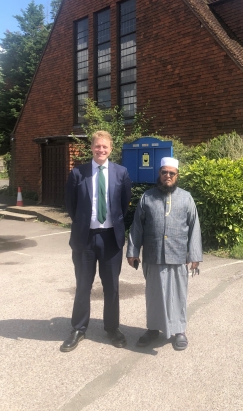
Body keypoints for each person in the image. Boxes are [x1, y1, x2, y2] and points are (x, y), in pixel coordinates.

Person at [61, 130, 131, 352]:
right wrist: (84, 223)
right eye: (97, 146)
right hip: (85, 239)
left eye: (105, 146)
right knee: (83, 285)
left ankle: (112, 328)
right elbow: (71, 205)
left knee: (112, 287)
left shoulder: (121, 173)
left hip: (111, 238)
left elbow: (124, 204)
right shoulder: (78, 173)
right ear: (91, 148)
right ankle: (79, 329)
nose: (101, 150)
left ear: (111, 149)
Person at [127, 157, 202, 351]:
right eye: (164, 172)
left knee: (178, 294)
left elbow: (194, 228)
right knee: (154, 295)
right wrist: (132, 251)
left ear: (177, 176)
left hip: (178, 255)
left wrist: (194, 255)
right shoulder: (147, 197)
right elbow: (136, 227)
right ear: (159, 174)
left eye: (171, 173)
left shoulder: (186, 198)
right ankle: (153, 329)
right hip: (153, 255)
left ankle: (179, 331)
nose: (167, 176)